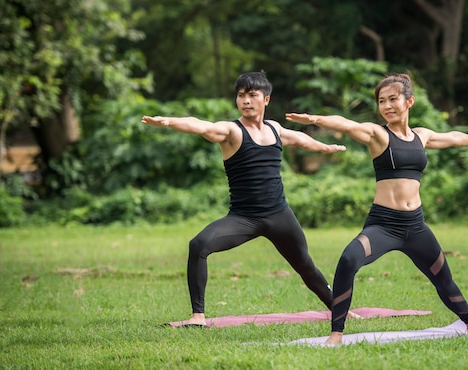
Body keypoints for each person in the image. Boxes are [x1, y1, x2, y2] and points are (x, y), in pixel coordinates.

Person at [286, 73, 468, 345]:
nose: (387, 106)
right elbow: (348, 124)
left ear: (409, 101)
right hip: (384, 225)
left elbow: (453, 138)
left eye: (393, 99)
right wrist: (316, 120)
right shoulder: (378, 135)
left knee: (442, 277)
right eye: (381, 101)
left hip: (415, 226)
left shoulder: (421, 136)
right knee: (349, 260)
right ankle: (336, 333)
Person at [142, 71, 349, 327]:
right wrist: (168, 122)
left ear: (266, 100)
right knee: (199, 245)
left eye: (252, 95)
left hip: (280, 215)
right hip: (244, 218)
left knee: (305, 265)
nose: (246, 101)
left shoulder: (274, 129)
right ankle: (197, 317)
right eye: (241, 95)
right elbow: (202, 125)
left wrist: (325, 147)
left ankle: (340, 309)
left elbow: (300, 139)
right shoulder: (232, 131)